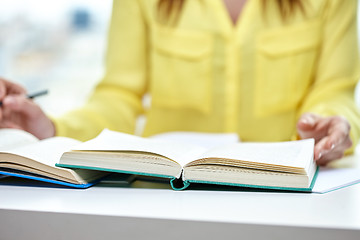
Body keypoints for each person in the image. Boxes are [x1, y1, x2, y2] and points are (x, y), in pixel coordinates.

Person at [0, 0, 359, 166]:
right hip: (168, 193)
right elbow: (119, 96)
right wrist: (54, 128)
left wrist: (329, 124)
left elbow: (335, 89)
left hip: (289, 193)